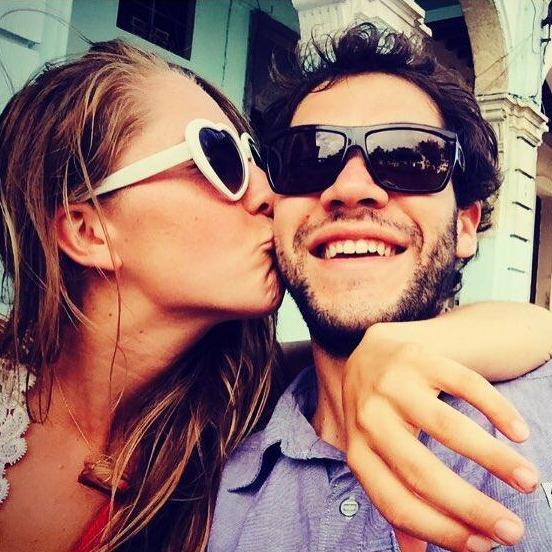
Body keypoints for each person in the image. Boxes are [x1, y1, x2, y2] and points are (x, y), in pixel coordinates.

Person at [0, 36, 549, 552]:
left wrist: (424, 345)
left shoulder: (237, 399)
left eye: (408, 155)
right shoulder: (237, 429)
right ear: (89, 230)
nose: (270, 192)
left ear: (467, 223)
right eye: (222, 160)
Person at [209, 23, 552, 552]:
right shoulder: (208, 472)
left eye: (407, 157)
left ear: (465, 226)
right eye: (309, 158)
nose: (349, 188)